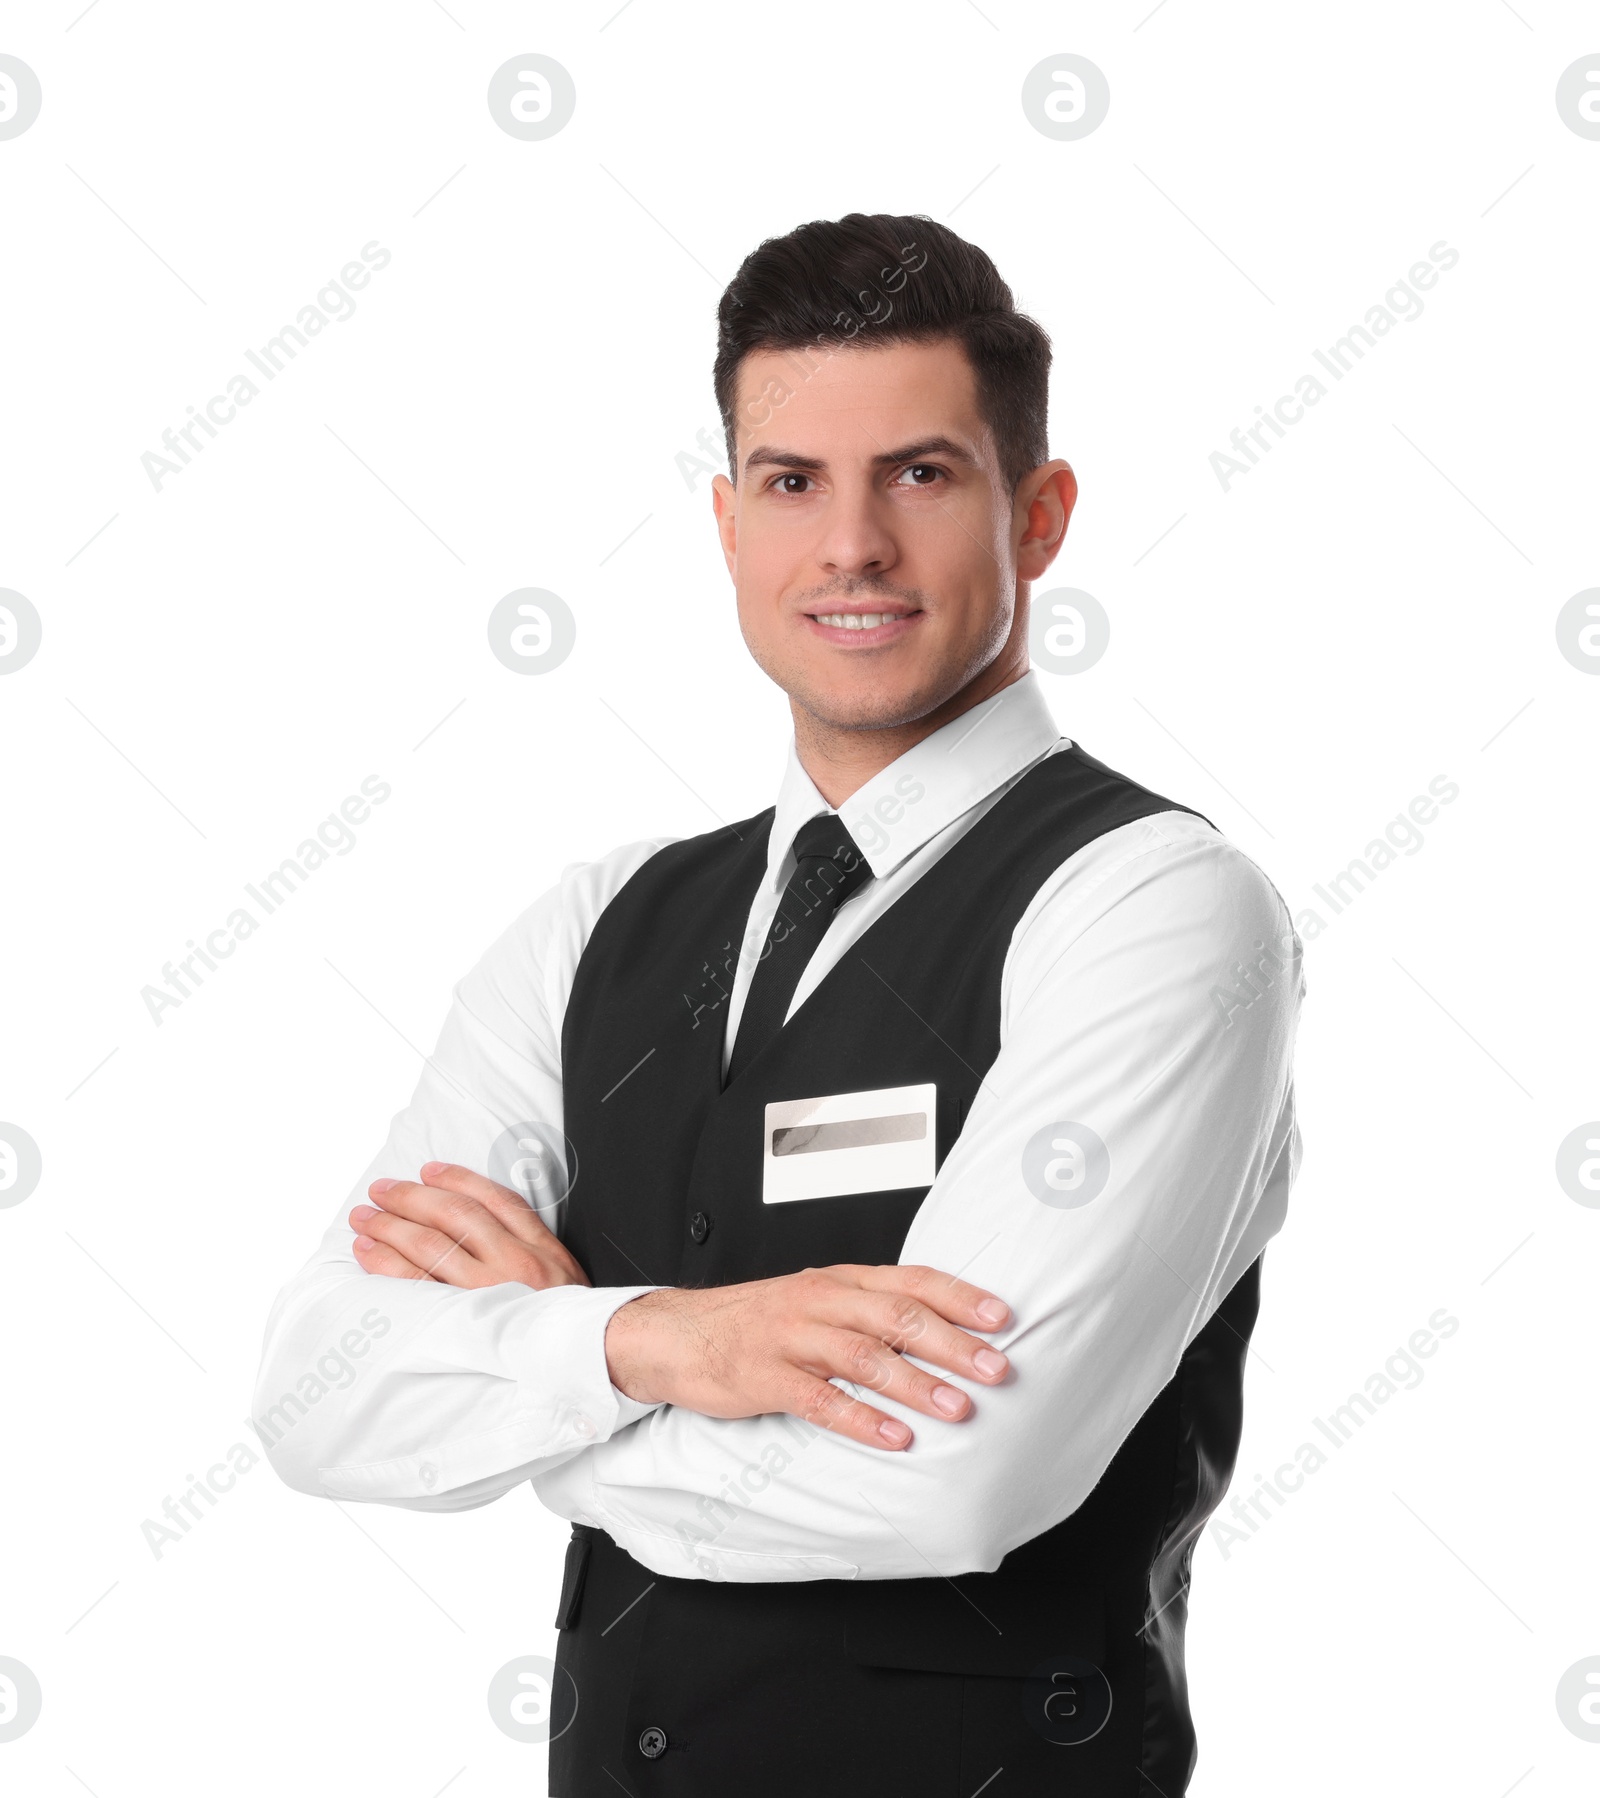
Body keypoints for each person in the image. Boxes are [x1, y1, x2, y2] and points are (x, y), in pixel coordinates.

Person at [255, 210, 1304, 1795]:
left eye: (923, 474)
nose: (852, 546)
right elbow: (317, 1388)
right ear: (730, 521)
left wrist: (540, 1391)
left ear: (1041, 515)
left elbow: (955, 1477)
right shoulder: (597, 922)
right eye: (793, 480)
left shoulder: (1149, 907)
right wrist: (661, 1339)